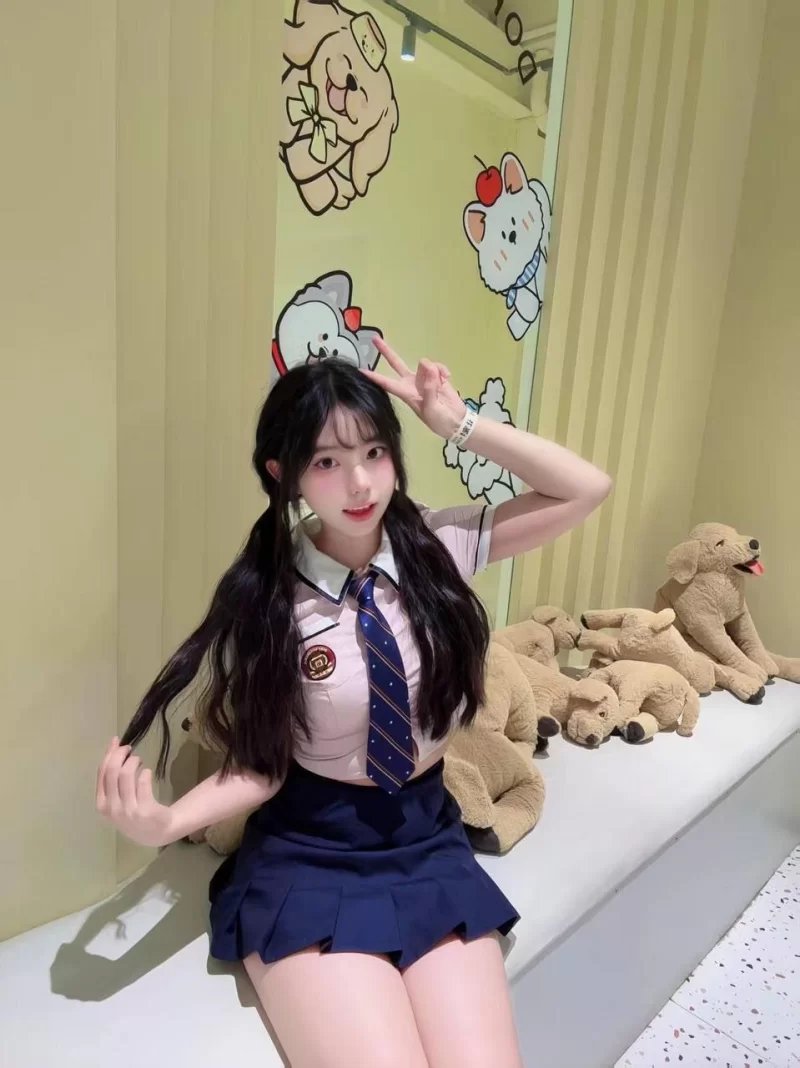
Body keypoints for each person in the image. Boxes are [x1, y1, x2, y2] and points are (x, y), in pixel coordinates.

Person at [95, 339, 611, 1068]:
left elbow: (585, 488)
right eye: (327, 462)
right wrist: (168, 820)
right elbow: (265, 762)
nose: (360, 481)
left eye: (374, 452)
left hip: (426, 838)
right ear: (283, 473)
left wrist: (460, 423)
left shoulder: (437, 547)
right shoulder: (269, 598)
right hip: (313, 854)